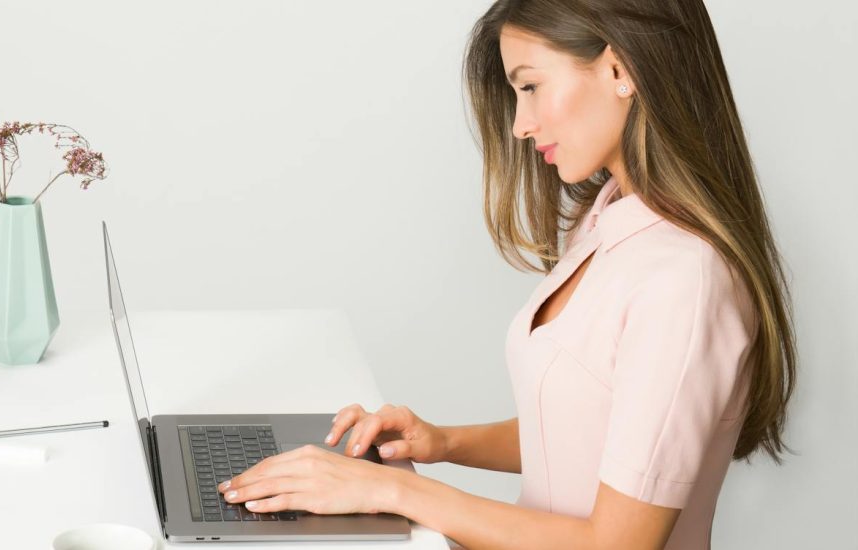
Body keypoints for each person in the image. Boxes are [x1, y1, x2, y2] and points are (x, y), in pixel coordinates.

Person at [216, 0, 798, 548]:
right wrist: (442, 442)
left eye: (531, 86)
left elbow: (618, 542)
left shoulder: (683, 280)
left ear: (620, 68)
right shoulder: (608, 222)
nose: (520, 123)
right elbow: (588, 429)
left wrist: (391, 488)